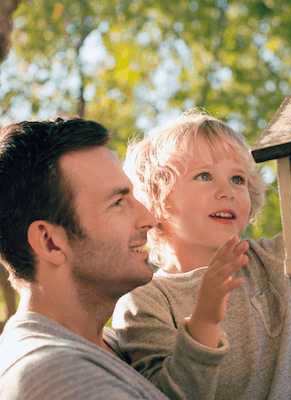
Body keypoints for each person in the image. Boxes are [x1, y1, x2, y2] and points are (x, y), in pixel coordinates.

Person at [112, 44, 291, 400]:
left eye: (238, 179)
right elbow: (166, 394)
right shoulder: (144, 301)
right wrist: (203, 322)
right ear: (155, 201)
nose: (228, 191)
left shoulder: (263, 260)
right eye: (204, 176)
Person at [0, 118, 170, 399]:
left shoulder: (117, 345)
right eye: (117, 203)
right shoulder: (58, 376)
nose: (149, 219)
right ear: (50, 243)